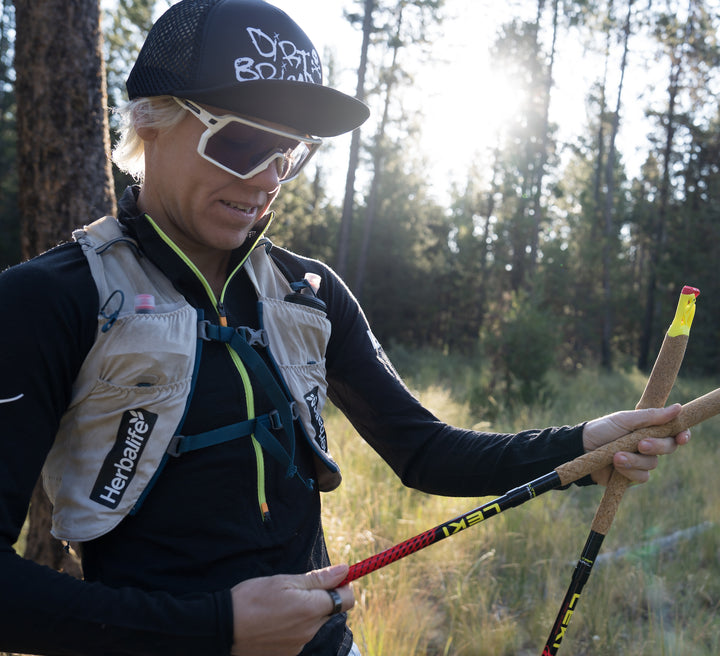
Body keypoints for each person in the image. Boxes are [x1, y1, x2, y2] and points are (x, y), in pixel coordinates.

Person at [0, 1, 690, 655]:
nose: (268, 179)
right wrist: (217, 629)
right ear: (149, 123)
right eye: (240, 142)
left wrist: (581, 447)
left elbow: (424, 452)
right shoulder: (49, 300)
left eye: (290, 153)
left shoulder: (311, 292)